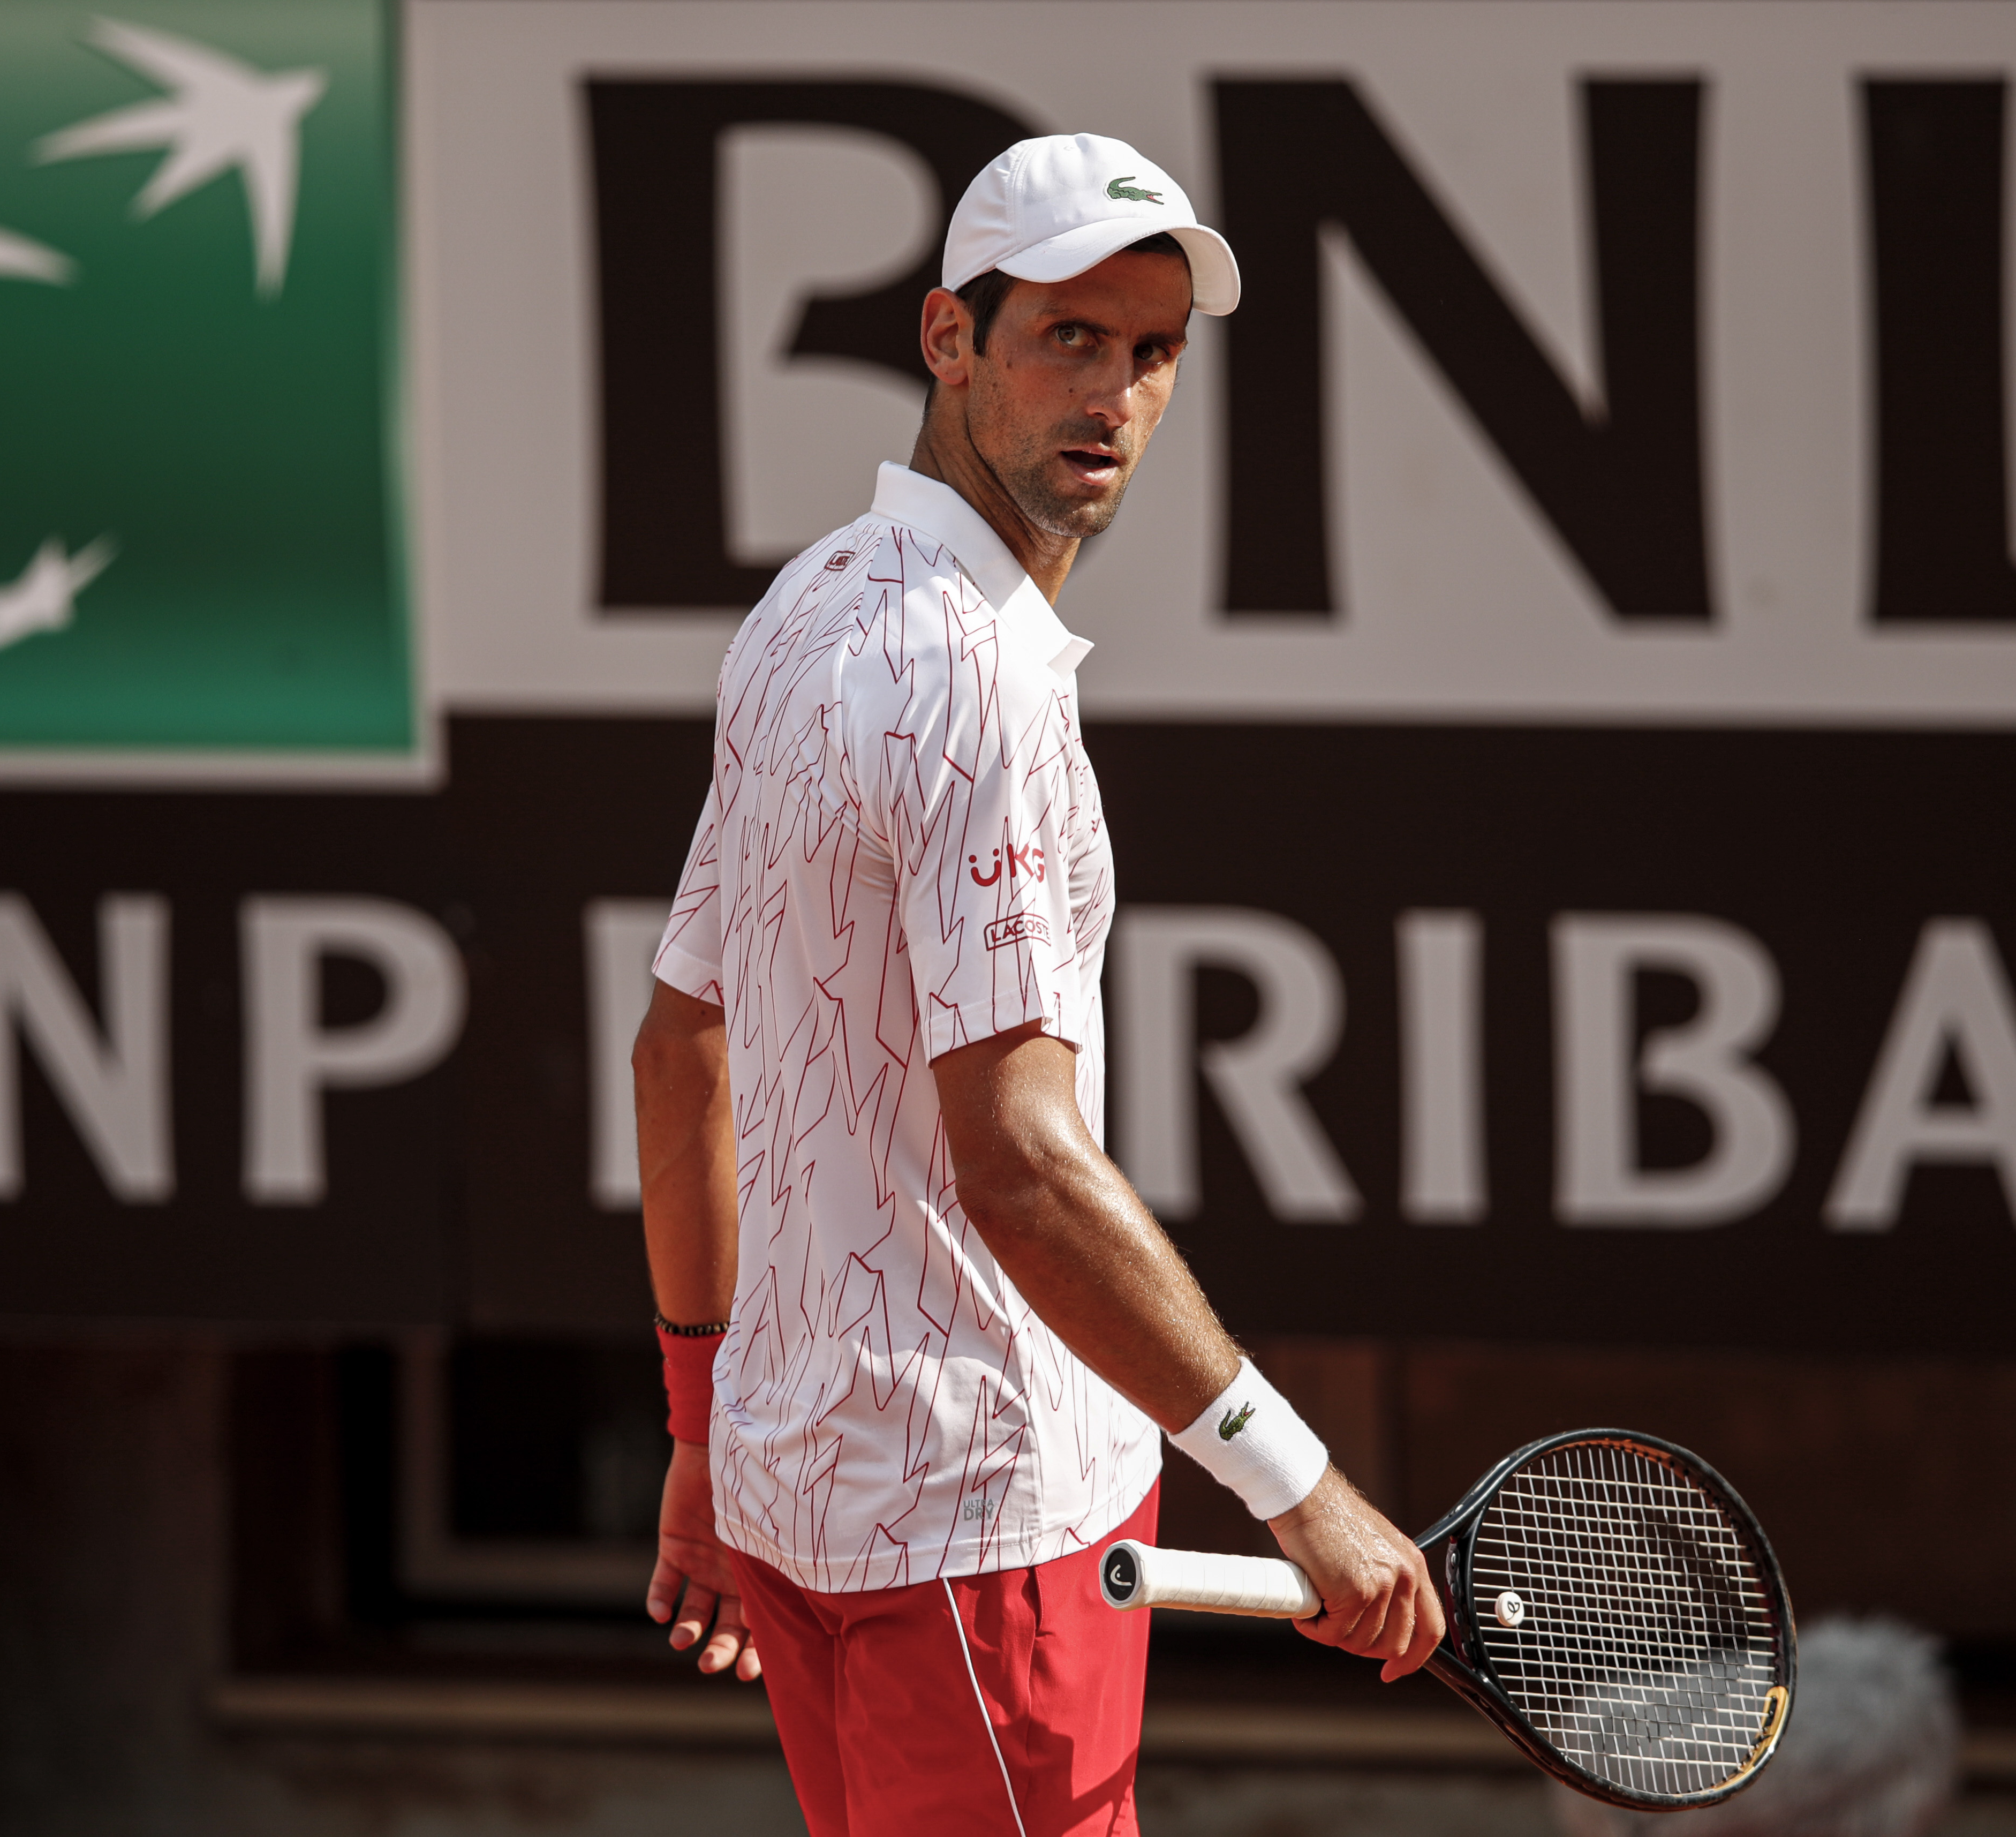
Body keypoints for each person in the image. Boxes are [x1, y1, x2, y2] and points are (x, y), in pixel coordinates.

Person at [633, 132, 1444, 1837]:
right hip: (983, 1535)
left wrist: (704, 1435)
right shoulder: (981, 683)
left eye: (1152, 353)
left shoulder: (799, 615)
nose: (1116, 397)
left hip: (792, 1497)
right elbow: (1019, 1158)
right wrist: (1301, 1492)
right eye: (1067, 337)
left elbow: (674, 1047)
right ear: (948, 339)